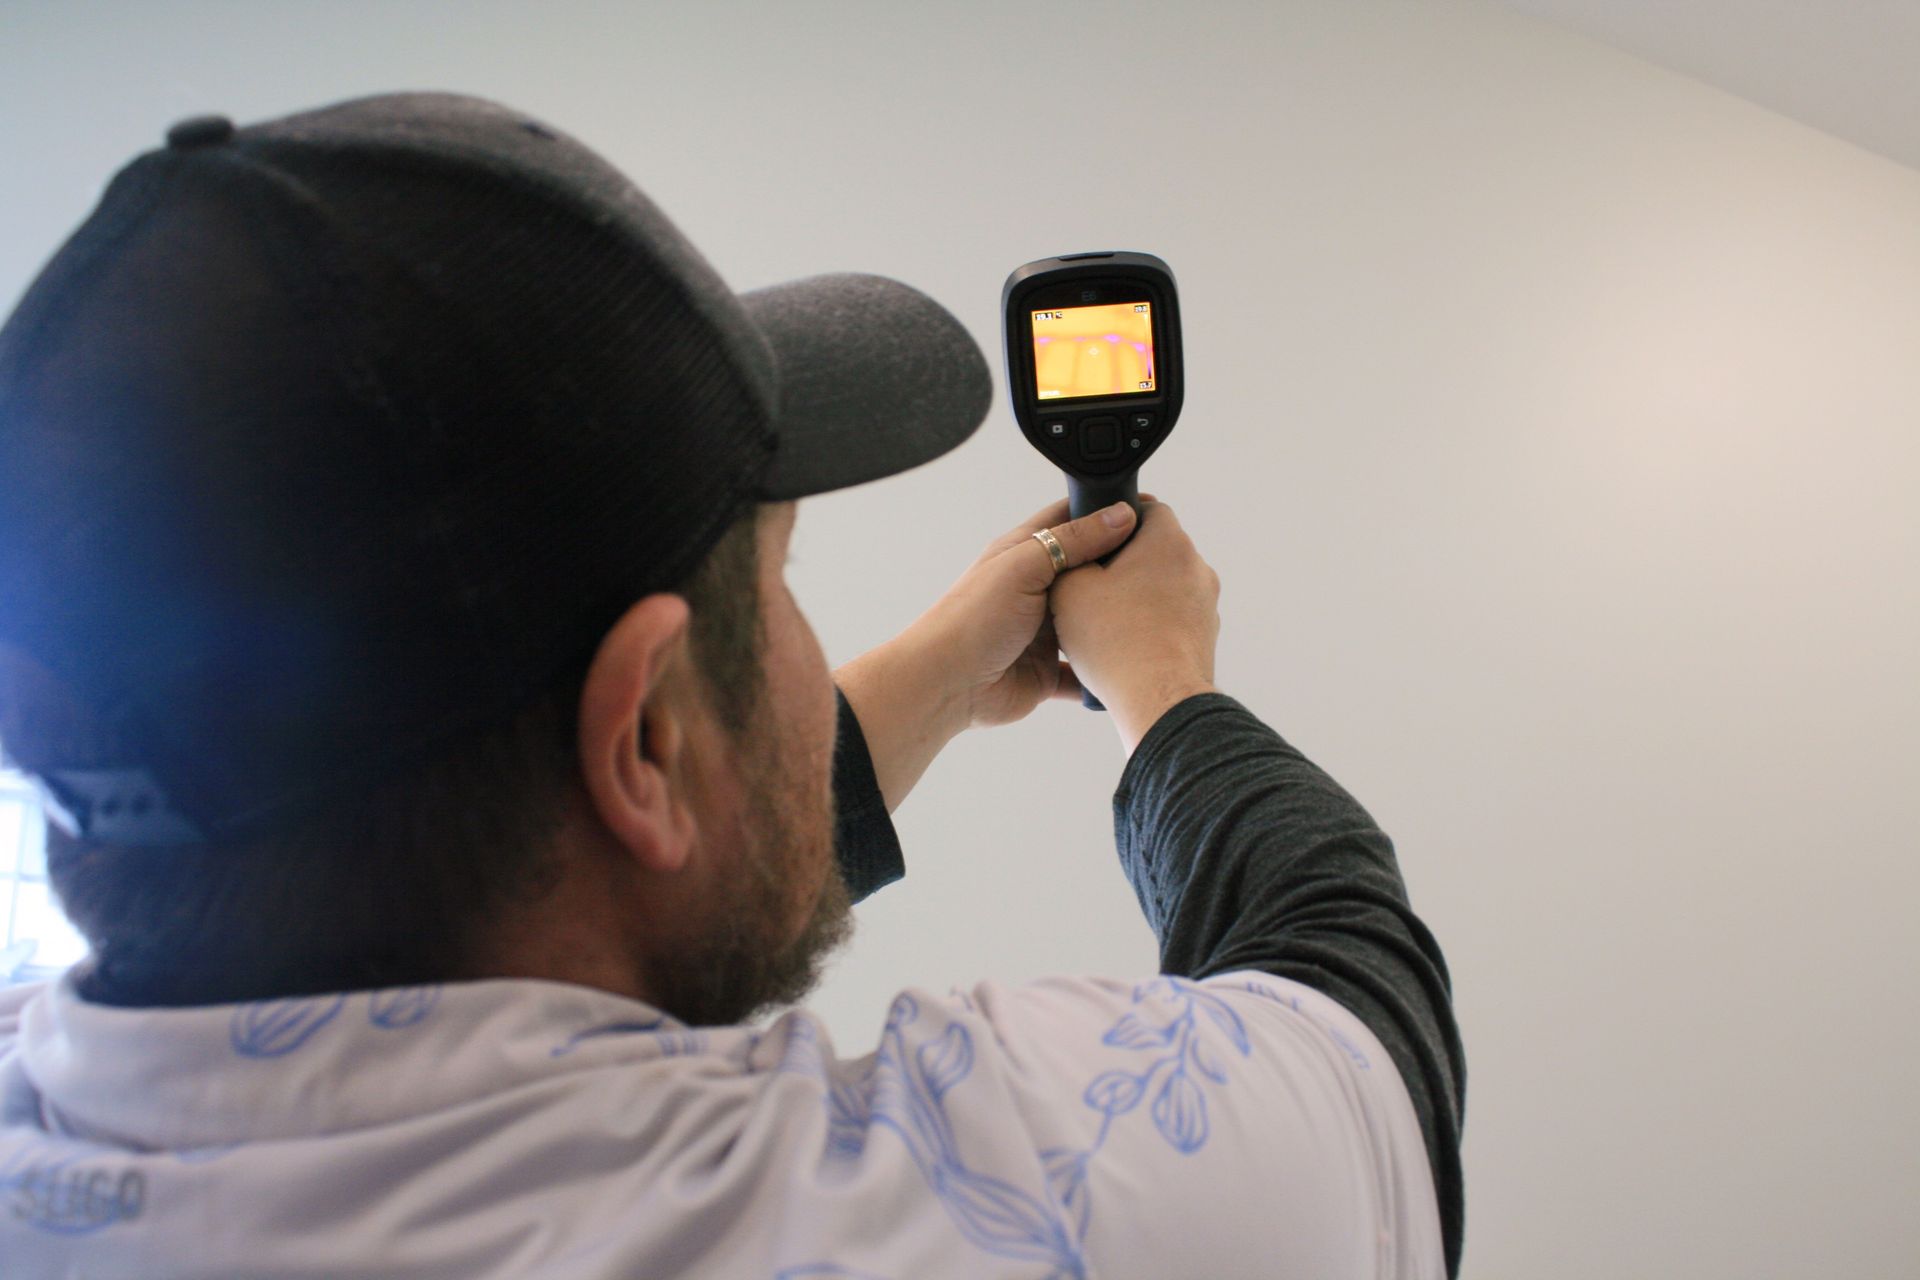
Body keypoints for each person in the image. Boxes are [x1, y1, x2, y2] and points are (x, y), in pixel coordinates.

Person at [0, 94, 1464, 1278]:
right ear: (644, 733)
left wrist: (946, 674)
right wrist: (1168, 690)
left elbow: (637, 834)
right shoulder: (990, 1212)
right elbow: (1357, 1026)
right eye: (783, 576)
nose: (814, 637)